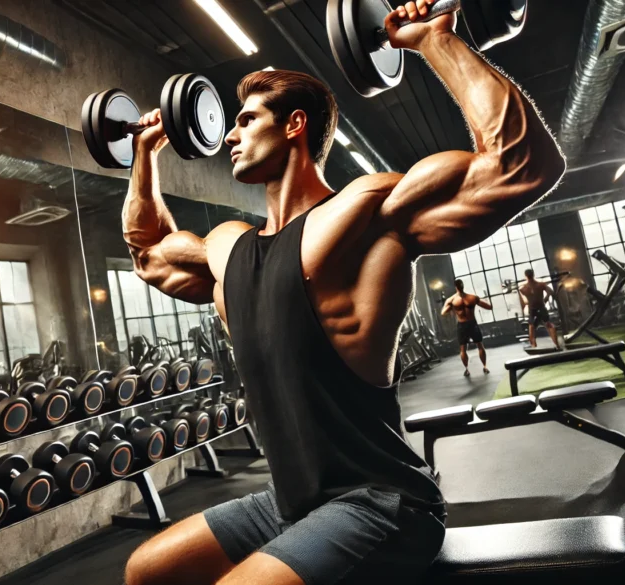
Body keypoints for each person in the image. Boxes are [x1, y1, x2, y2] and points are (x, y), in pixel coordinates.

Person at [120, 1, 564, 583]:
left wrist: (433, 40)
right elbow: (149, 250)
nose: (229, 134)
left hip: (382, 502)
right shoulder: (227, 247)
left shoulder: (364, 212)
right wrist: (145, 156)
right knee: (145, 571)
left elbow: (520, 165)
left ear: (294, 125)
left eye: (247, 119)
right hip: (290, 502)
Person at [441, 279, 492, 377]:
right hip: (462, 325)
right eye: (459, 284)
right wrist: (450, 307)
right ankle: (467, 369)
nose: (460, 286)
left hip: (472, 324)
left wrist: (487, 299)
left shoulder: (473, 298)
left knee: (480, 345)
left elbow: (489, 307)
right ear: (456, 286)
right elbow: (443, 313)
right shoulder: (451, 300)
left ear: (462, 285)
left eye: (461, 284)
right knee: (463, 348)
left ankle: (485, 366)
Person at [518, 268, 560, 349]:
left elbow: (524, 302)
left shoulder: (524, 288)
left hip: (535, 309)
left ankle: (534, 345)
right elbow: (551, 292)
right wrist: (546, 298)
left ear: (525, 276)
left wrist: (546, 298)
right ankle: (557, 345)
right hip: (539, 308)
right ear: (533, 275)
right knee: (545, 325)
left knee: (532, 326)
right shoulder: (540, 285)